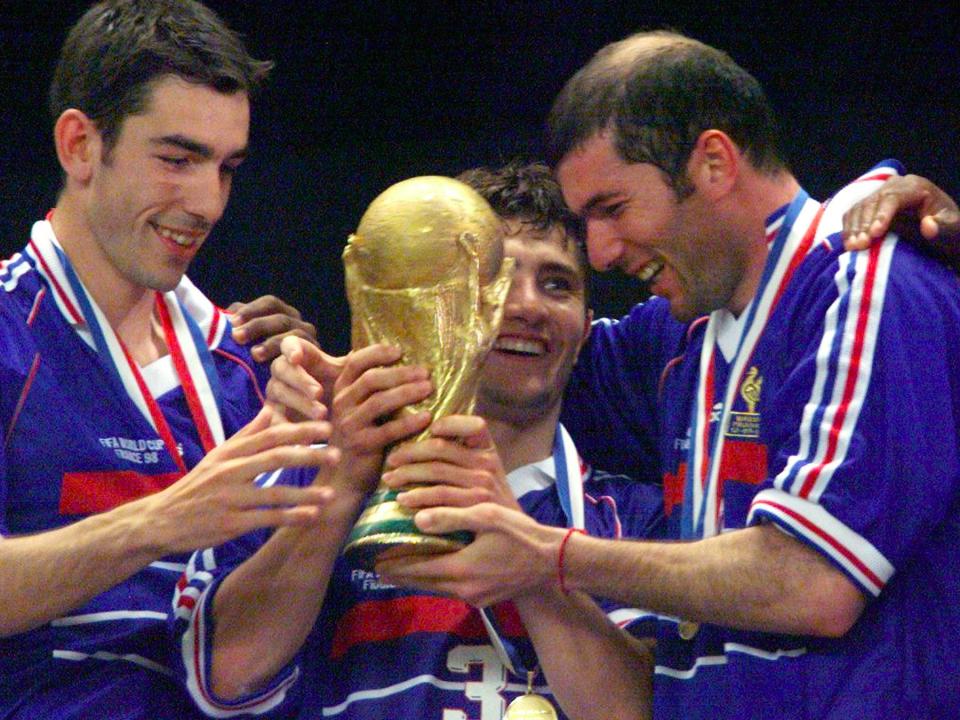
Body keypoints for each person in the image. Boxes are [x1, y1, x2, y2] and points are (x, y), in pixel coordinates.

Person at [373, 32, 960, 719]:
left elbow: (812, 581)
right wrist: (302, 362)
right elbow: (500, 360)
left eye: (612, 210)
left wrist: (547, 555)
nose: (602, 251)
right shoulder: (678, 335)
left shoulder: (864, 283)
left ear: (713, 162)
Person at [173, 161, 663, 719]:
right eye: (494, 276)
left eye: (557, 285)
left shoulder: (630, 518)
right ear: (432, 302)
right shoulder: (303, 482)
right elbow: (220, 676)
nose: (526, 306)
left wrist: (533, 566)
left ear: (584, 330)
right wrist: (342, 486)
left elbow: (646, 712)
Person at [0, 1, 337, 717]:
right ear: (80, 146)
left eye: (226, 168)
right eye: (177, 160)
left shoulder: (249, 367)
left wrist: (351, 451)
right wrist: (164, 519)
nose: (208, 203)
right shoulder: (7, 332)